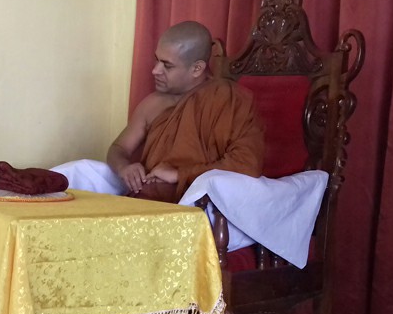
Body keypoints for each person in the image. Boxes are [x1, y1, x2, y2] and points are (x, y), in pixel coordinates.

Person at [54, 21, 263, 203]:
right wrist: (125, 167)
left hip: (198, 198)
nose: (155, 70)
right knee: (76, 171)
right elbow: (119, 148)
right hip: (148, 192)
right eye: (157, 60)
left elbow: (245, 164)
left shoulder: (229, 99)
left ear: (197, 69)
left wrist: (179, 174)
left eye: (167, 66)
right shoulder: (152, 104)